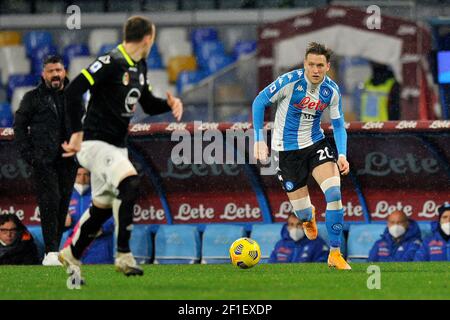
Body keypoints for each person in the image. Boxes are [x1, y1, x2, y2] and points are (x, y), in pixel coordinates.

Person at [59, 16, 183, 278]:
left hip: (117, 146)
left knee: (103, 206)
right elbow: (73, 91)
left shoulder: (140, 65)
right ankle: (124, 255)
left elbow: (147, 103)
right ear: (148, 38)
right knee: (130, 183)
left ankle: (72, 253)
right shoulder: (111, 61)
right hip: (94, 142)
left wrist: (169, 104)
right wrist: (76, 133)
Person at [252, 42, 351, 270]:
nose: (315, 70)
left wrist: (342, 155)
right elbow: (259, 101)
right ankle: (309, 216)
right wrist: (259, 139)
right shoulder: (290, 82)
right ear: (304, 65)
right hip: (287, 152)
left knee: (334, 193)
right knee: (303, 213)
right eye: (310, 65)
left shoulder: (331, 91)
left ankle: (335, 253)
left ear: (327, 66)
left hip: (315, 143)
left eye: (320, 65)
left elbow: (338, 125)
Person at [13, 55, 78, 266]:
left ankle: (53, 250)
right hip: (44, 161)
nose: (56, 74)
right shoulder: (32, 97)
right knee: (50, 202)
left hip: (69, 160)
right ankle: (50, 252)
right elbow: (19, 127)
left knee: (62, 204)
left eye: (58, 70)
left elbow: (83, 125)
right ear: (44, 74)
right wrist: (30, 156)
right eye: (51, 71)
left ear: (64, 71)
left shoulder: (75, 96)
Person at [64, 167, 114, 264]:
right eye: (78, 175)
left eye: (86, 175)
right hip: (75, 247)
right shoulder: (66, 197)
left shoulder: (100, 194)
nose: (82, 178)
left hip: (100, 248)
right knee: (74, 278)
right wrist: (62, 223)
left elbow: (113, 218)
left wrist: (102, 228)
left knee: (102, 277)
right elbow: (57, 225)